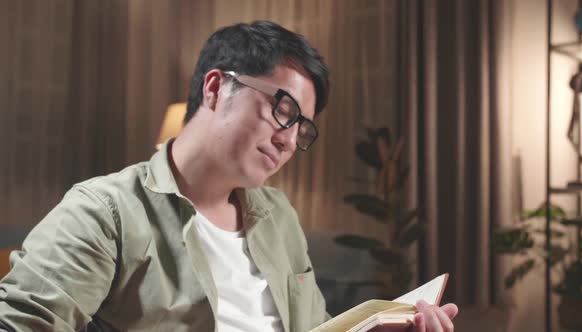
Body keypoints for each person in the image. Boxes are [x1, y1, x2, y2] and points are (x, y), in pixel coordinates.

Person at [0, 21, 457, 332]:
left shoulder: (278, 215)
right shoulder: (107, 211)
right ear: (216, 88)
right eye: (283, 111)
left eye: (302, 128)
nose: (288, 140)